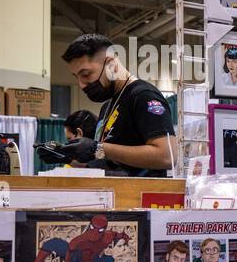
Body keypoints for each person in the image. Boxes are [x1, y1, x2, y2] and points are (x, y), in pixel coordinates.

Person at [59, 34, 176, 175]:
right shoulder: (107, 107)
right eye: (76, 77)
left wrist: (99, 148)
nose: (81, 85)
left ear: (111, 65)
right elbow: (108, 162)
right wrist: (67, 157)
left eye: (85, 74)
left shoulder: (142, 96)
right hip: (112, 193)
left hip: (140, 195)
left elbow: (167, 156)